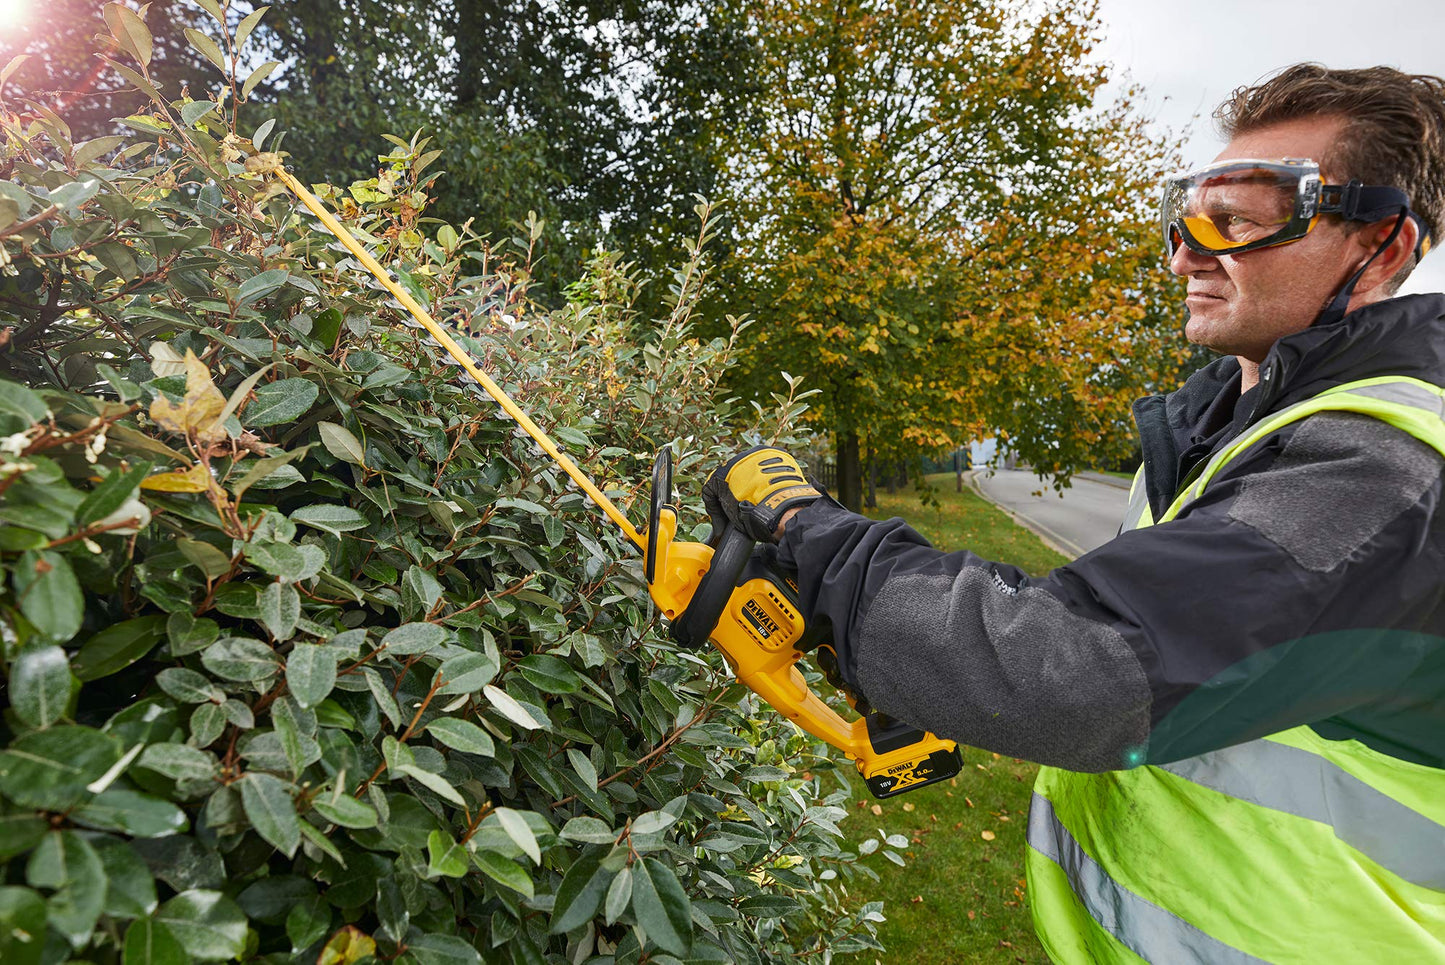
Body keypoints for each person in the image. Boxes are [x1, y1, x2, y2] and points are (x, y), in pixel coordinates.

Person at [702, 64, 1445, 962]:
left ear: (1383, 248)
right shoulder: (1223, 430)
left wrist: (812, 536)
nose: (1185, 255)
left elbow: (1086, 670)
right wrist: (917, 659)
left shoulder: (1387, 468)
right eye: (1185, 217)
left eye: (1242, 218)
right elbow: (1157, 639)